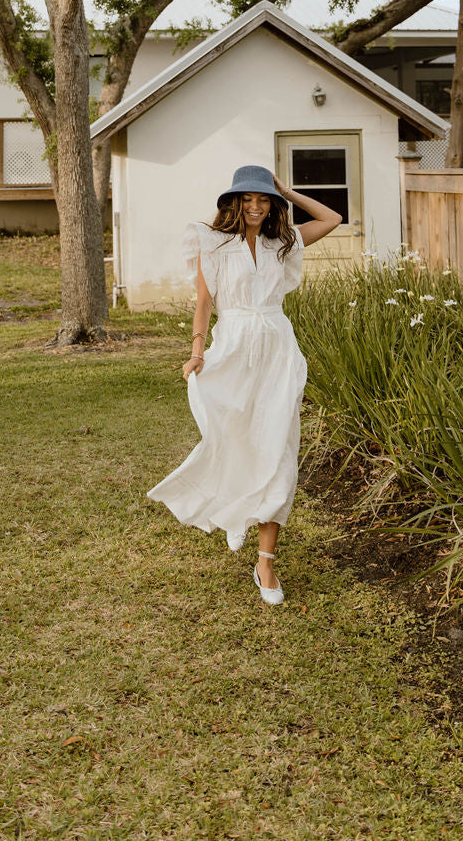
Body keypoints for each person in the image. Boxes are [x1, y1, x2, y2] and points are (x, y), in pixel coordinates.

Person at [146, 163, 341, 604]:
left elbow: (332, 219)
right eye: (247, 199)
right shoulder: (212, 244)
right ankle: (236, 514)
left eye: (263, 199)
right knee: (234, 441)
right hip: (233, 350)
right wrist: (197, 351)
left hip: (277, 352)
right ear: (234, 202)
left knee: (278, 450)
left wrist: (287, 190)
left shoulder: (283, 244)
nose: (255, 207)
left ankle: (266, 563)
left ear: (272, 203)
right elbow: (203, 301)